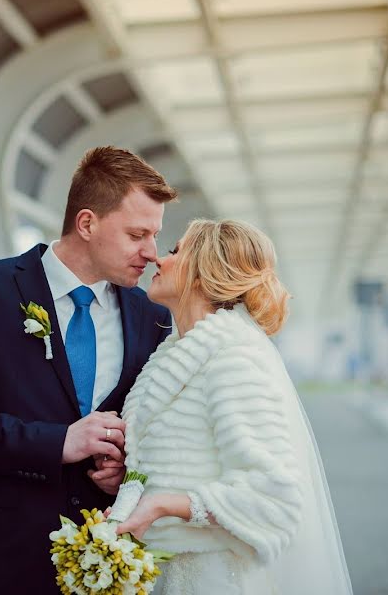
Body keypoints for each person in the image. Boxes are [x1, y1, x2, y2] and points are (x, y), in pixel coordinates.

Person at [0, 146, 176, 594]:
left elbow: (152, 429)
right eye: (137, 234)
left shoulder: (151, 317)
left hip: (106, 570)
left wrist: (125, 469)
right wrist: (57, 442)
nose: (151, 253)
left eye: (155, 235)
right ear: (87, 223)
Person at [94, 219, 352, 594]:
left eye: (174, 251)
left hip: (211, 580)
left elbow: (273, 496)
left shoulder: (234, 359)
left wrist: (161, 505)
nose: (157, 260)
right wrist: (129, 481)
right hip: (161, 574)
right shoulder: (171, 357)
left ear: (203, 274)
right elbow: (181, 465)